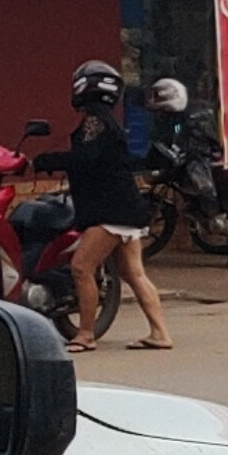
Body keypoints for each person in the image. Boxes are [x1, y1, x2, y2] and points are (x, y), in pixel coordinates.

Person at [60, 61, 173, 353]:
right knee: (133, 272)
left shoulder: (94, 121)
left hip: (112, 210)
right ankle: (160, 333)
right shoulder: (107, 121)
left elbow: (84, 159)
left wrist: (48, 161)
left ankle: (85, 334)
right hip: (128, 207)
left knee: (81, 267)